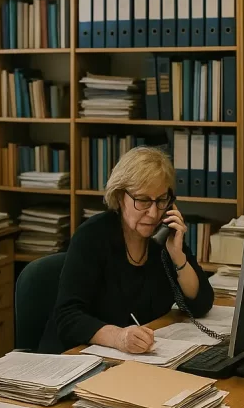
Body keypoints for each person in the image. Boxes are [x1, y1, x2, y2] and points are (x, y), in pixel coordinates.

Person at [40, 146, 214, 353]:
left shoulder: (164, 237)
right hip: (78, 357)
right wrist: (119, 337)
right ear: (121, 197)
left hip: (141, 359)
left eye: (161, 200)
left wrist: (178, 256)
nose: (153, 213)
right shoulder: (92, 237)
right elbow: (67, 317)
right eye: (142, 200)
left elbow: (201, 304)